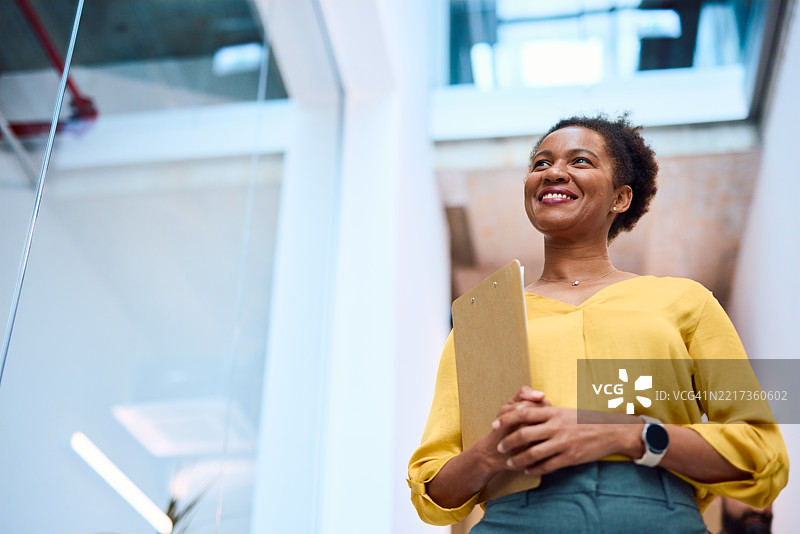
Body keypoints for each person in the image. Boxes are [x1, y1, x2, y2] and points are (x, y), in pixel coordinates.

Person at [407, 114, 788, 533]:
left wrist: (623, 433)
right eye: (540, 163)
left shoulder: (687, 302)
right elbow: (433, 493)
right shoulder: (480, 322)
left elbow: (762, 454)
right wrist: (490, 454)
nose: (554, 172)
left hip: (656, 517)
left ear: (620, 198)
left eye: (581, 161)